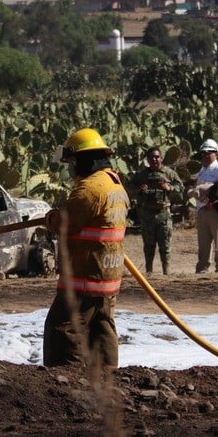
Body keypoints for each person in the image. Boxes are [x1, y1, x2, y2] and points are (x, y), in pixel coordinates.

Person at [43, 127, 129, 371]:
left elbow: (64, 223)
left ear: (82, 160)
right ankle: (108, 377)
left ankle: (65, 382)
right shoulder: (115, 184)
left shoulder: (90, 189)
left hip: (83, 282)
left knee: (62, 330)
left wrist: (51, 218)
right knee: (102, 330)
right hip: (107, 281)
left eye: (71, 162)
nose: (70, 169)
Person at [125, 146, 183, 275]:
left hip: (164, 214)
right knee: (148, 247)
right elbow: (128, 188)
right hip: (147, 215)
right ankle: (149, 272)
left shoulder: (169, 173)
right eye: (151, 157)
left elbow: (181, 187)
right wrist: (139, 190)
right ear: (147, 159)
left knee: (165, 246)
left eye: (157, 157)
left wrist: (169, 187)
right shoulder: (141, 175)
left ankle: (166, 272)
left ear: (161, 158)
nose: (154, 160)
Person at [192, 138, 218, 273]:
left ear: (216, 153)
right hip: (202, 210)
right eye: (203, 153)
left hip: (215, 210)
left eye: (209, 152)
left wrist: (212, 203)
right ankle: (202, 267)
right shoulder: (202, 170)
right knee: (203, 242)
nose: (205, 155)